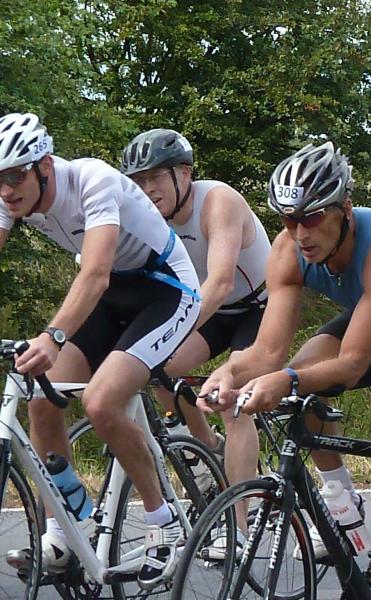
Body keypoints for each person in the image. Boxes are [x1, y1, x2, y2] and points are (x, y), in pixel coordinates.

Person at [199, 141, 371, 600]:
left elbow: (351, 364)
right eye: (288, 220)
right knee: (300, 389)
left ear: (344, 209)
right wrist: (230, 372)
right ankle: (343, 507)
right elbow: (267, 350)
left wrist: (284, 379)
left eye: (311, 218)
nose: (299, 233)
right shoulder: (288, 250)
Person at [0, 113, 202, 590]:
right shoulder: (9, 198)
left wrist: (53, 336)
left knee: (101, 402)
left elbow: (94, 274)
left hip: (166, 290)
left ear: (44, 166)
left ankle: (163, 521)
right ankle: (61, 533)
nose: (7, 190)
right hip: (112, 298)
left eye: (15, 176)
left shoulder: (93, 180)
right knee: (41, 397)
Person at [121, 129, 270, 548]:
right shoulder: (150, 217)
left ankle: (238, 527)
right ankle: (207, 450)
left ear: (184, 173)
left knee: (234, 404)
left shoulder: (218, 201)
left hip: (259, 308)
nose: (147, 190)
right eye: (138, 181)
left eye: (155, 178)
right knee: (154, 367)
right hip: (214, 313)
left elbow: (220, 283)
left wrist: (170, 330)